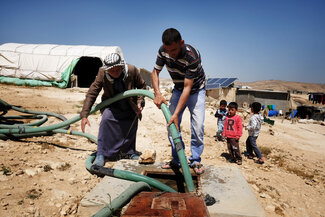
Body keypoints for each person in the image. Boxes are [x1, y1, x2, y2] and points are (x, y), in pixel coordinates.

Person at [151, 28, 206, 175]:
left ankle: (195, 160)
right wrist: (157, 93)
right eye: (168, 50)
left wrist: (175, 113)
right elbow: (155, 72)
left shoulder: (192, 56)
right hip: (178, 88)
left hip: (195, 90)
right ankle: (177, 159)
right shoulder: (163, 51)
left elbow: (188, 87)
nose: (171, 54)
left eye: (174, 50)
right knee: (172, 125)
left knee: (198, 127)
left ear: (181, 42)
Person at [80, 53, 147, 166]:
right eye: (112, 71)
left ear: (121, 66)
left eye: (118, 70)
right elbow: (92, 92)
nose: (116, 73)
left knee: (131, 124)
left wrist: (140, 101)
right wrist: (85, 115)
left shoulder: (132, 70)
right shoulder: (102, 72)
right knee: (106, 120)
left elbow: (142, 86)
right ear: (107, 70)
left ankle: (128, 152)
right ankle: (102, 154)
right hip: (111, 105)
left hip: (129, 105)